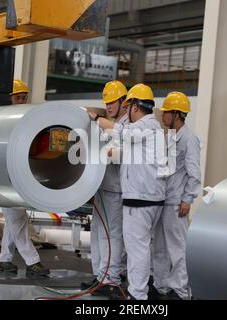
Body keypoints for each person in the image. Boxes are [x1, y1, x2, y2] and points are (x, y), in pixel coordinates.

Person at [89, 83, 168, 300]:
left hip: (140, 198)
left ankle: (137, 295)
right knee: (138, 248)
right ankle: (134, 291)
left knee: (137, 250)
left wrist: (95, 118)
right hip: (147, 197)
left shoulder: (143, 126)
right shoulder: (152, 127)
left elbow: (122, 134)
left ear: (133, 106)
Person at [0, 80, 50, 278]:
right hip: (5, 175)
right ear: (10, 98)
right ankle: (32, 261)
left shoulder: (25, 118)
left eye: (24, 97)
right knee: (17, 218)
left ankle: (4, 259)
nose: (22, 100)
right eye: (18, 97)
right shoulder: (5, 119)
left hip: (18, 175)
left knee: (15, 218)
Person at [152, 92, 201, 300]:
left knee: (178, 247)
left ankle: (181, 290)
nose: (163, 116)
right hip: (164, 200)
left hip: (176, 202)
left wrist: (187, 199)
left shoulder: (189, 139)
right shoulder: (170, 137)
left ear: (177, 115)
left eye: (166, 113)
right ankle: (161, 285)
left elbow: (194, 173)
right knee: (160, 246)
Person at [82, 81, 129, 298]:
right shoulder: (110, 124)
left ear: (123, 102)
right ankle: (100, 275)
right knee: (97, 234)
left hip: (115, 190)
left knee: (112, 235)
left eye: (112, 102)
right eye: (106, 102)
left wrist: (98, 121)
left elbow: (117, 153)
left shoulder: (126, 126)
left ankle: (111, 278)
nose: (108, 106)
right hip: (102, 187)